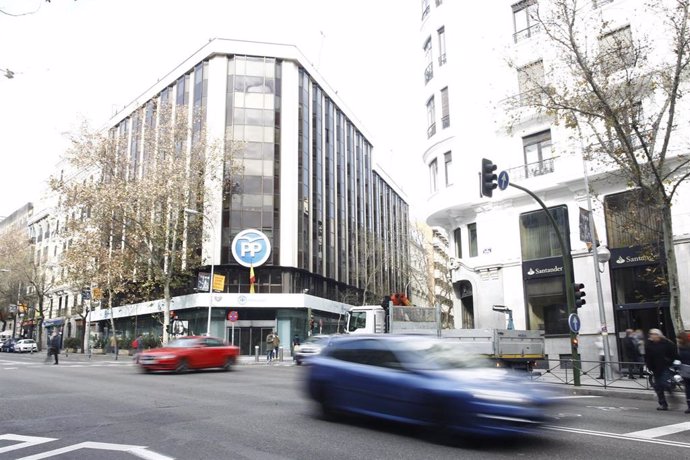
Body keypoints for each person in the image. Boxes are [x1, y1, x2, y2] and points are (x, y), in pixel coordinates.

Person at [645, 328, 679, 411]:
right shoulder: (649, 344)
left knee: (664, 383)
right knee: (657, 387)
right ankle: (663, 403)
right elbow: (647, 356)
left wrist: (670, 362)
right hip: (655, 368)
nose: (651, 336)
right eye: (651, 334)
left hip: (665, 367)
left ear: (658, 335)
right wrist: (648, 366)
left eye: (653, 334)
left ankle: (670, 391)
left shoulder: (667, 343)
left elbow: (674, 355)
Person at [677, 331, 690, 414]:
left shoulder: (681, 347)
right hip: (685, 369)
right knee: (688, 388)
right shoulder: (680, 347)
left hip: (685, 369)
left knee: (688, 388)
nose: (677, 340)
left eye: (679, 338)